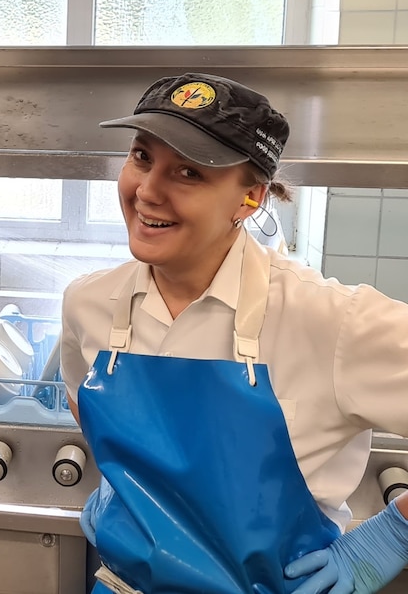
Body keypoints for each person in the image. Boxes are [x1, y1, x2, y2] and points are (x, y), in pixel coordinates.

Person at [59, 73, 408, 594]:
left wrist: (392, 537)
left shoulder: (329, 320)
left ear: (250, 198)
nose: (147, 191)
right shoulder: (89, 304)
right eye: (141, 157)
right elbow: (82, 403)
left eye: (188, 173)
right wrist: (126, 491)